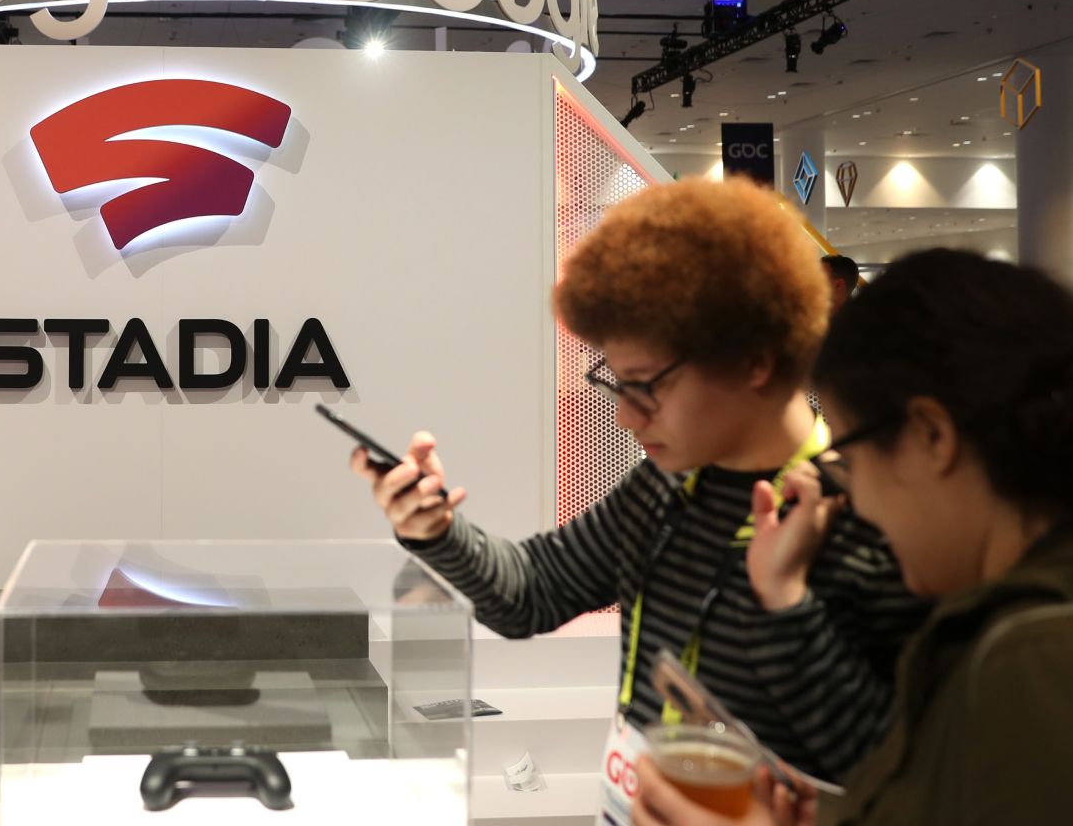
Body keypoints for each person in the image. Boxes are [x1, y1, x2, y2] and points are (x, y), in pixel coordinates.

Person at [350, 177, 928, 799]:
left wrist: (786, 607)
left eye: (647, 384)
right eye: (614, 381)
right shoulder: (663, 487)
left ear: (754, 361)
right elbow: (532, 592)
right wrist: (433, 530)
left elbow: (892, 765)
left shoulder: (870, 518)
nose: (626, 416)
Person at [631, 248, 1073, 826]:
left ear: (930, 436)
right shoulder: (1005, 623)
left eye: (849, 455)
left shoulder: (1032, 653)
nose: (852, 494)